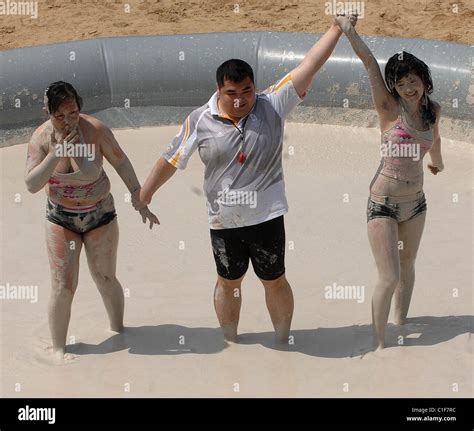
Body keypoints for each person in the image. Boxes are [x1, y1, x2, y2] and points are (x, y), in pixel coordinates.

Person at [134, 19, 348, 345]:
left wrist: (337, 28)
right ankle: (230, 344)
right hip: (223, 222)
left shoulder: (273, 103)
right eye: (231, 93)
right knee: (227, 282)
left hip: (266, 217)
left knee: (274, 280)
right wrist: (144, 194)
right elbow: (170, 159)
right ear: (219, 90)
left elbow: (310, 64)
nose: (240, 100)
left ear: (254, 86)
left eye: (246, 91)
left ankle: (281, 342)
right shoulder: (199, 120)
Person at [24, 81, 159, 360]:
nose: (67, 121)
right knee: (63, 285)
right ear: (47, 113)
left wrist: (138, 197)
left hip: (100, 215)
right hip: (61, 219)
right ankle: (58, 349)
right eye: (59, 116)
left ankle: (120, 331)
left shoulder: (95, 130)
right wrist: (55, 154)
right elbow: (31, 184)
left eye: (72, 113)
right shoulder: (40, 138)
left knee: (105, 278)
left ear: (79, 108)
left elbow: (118, 162)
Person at [334, 15, 444, 349]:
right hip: (382, 203)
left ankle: (401, 325)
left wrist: (437, 162)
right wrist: (347, 28)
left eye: (413, 80)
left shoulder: (433, 110)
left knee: (408, 265)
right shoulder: (388, 108)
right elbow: (368, 61)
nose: (409, 87)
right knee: (389, 275)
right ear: (393, 87)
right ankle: (378, 345)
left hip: (417, 203)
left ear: (423, 78)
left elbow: (434, 140)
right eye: (401, 83)